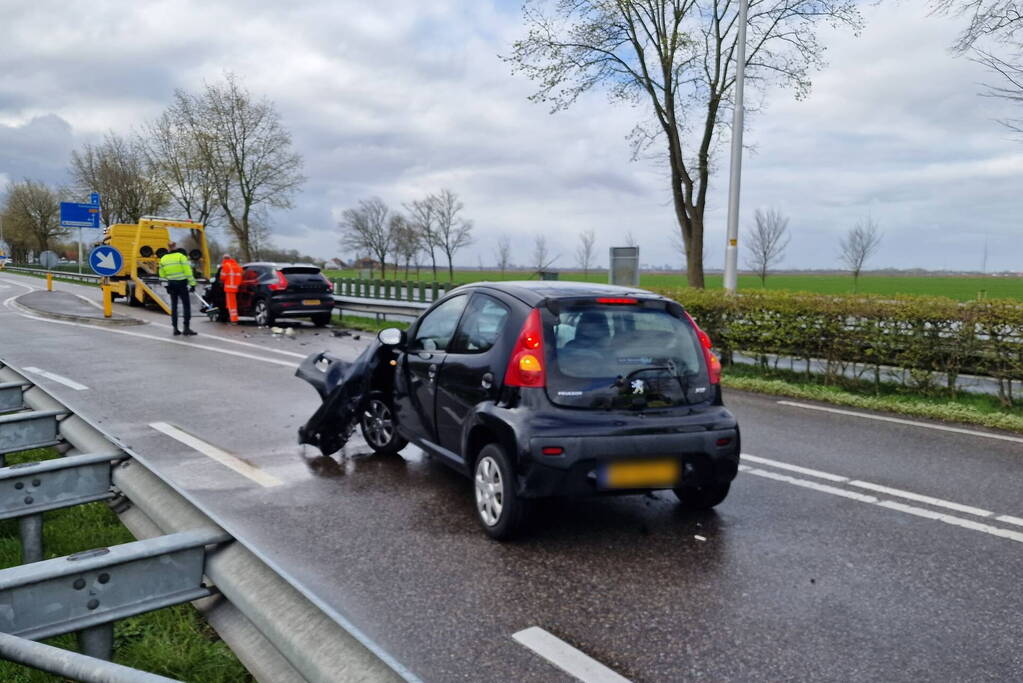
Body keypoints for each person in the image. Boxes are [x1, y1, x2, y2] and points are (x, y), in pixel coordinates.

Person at [158, 242, 197, 336]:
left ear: (168, 248)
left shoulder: (163, 259)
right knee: (186, 306)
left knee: (174, 307)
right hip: (182, 284)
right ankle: (186, 328)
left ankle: (175, 328)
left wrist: (166, 286)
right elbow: (188, 271)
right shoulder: (181, 257)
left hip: (171, 284)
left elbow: (162, 275)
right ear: (175, 247)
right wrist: (192, 284)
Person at [219, 254, 243, 323]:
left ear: (224, 259)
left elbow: (222, 277)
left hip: (229, 288)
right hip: (237, 287)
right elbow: (241, 274)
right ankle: (232, 318)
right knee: (233, 304)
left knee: (231, 305)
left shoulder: (226, 266)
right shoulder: (237, 266)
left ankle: (233, 319)